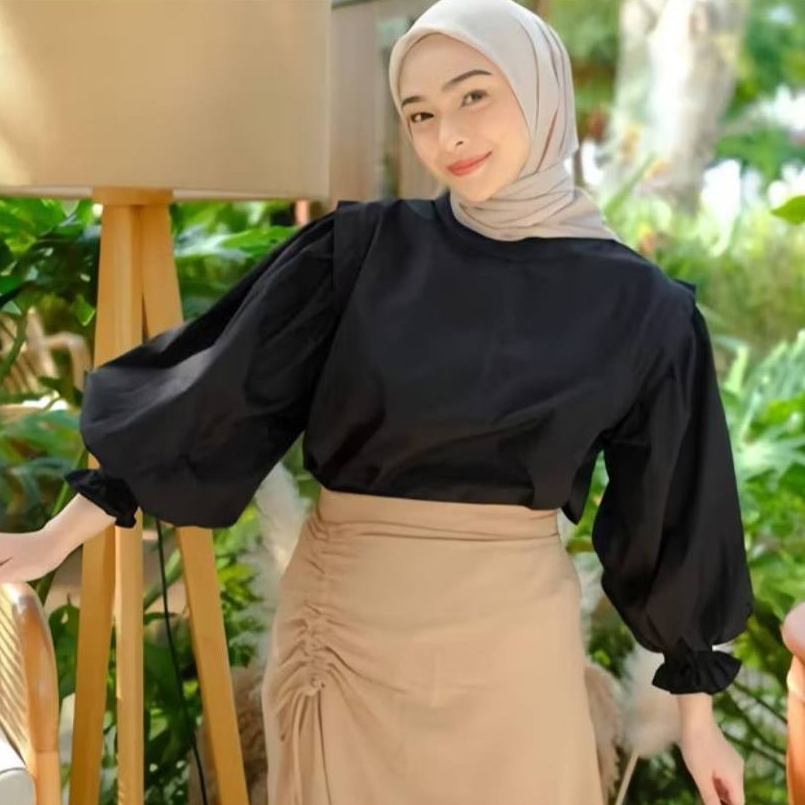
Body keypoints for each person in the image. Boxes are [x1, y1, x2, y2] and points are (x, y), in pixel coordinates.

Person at [0, 0, 753, 803]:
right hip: (347, 641)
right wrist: (54, 538)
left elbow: (672, 515)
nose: (447, 136)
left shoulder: (643, 310)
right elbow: (216, 395)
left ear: (542, 91)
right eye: (419, 113)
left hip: (513, 664)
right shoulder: (359, 253)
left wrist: (697, 720)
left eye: (472, 96)